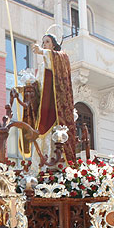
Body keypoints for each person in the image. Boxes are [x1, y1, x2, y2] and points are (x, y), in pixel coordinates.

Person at [27, 33, 76, 162]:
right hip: (44, 103)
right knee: (42, 133)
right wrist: (29, 87)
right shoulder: (43, 64)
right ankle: (43, 162)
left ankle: (57, 161)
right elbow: (39, 83)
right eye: (43, 42)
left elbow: (54, 62)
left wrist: (42, 51)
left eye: (47, 42)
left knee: (55, 131)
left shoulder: (61, 57)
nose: (44, 45)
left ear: (54, 44)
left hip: (56, 102)